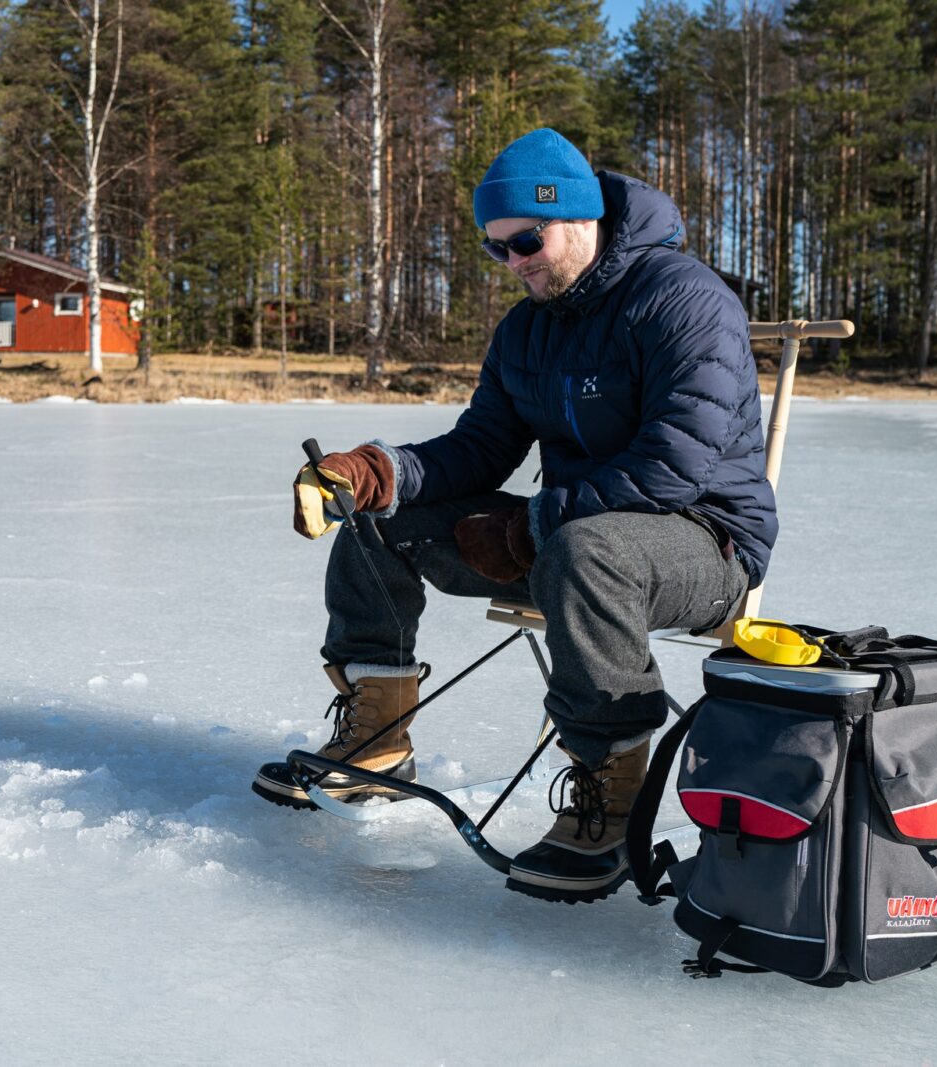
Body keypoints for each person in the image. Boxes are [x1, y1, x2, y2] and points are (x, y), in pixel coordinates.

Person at [251, 127, 775, 905]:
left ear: (576, 216)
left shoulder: (685, 301)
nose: (515, 262)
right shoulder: (528, 328)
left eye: (525, 240)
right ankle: (378, 739)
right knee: (383, 521)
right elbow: (480, 447)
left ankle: (609, 792)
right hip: (570, 536)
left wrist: (532, 527)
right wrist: (375, 472)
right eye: (497, 249)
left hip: (704, 542)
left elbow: (674, 468)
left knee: (586, 550)